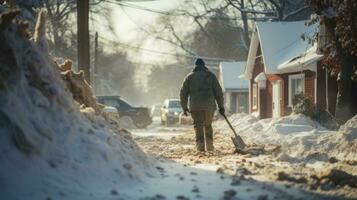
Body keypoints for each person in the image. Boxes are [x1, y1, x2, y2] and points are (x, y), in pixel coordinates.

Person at [180, 58, 225, 152]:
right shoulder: (210, 75)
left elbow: (183, 93)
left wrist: (184, 107)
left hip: (195, 107)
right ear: (204, 65)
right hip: (209, 106)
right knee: (208, 125)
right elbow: (218, 92)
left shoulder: (189, 77)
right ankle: (209, 146)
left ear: (195, 66)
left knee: (198, 126)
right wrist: (221, 106)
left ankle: (200, 147)